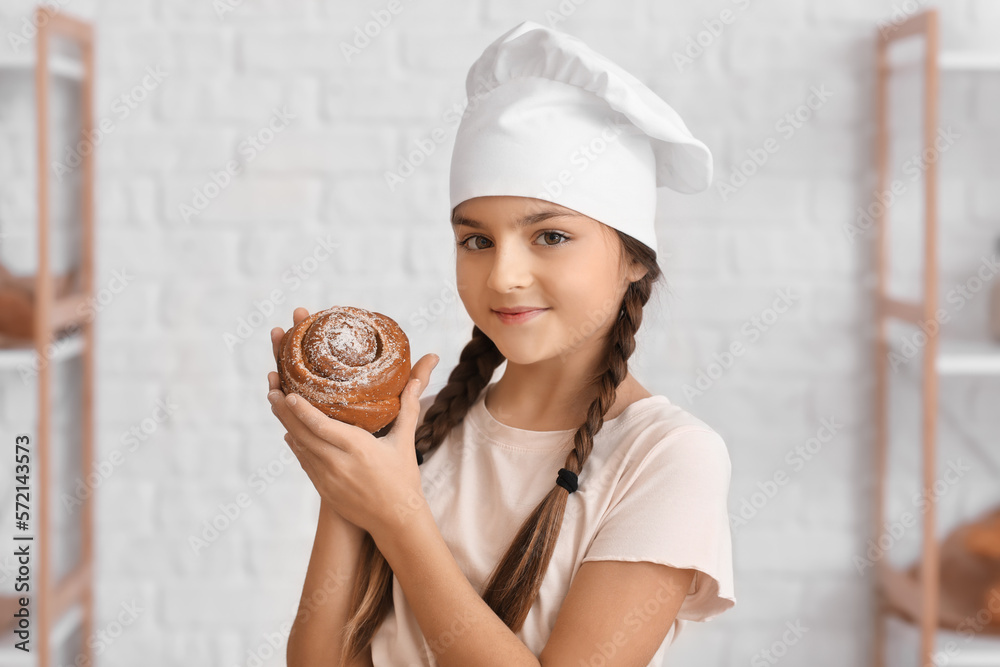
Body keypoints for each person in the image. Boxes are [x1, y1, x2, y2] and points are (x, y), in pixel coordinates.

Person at [270, 20, 736, 667]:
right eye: (476, 239)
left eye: (549, 236)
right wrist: (344, 464)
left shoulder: (667, 456)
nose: (503, 275)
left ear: (635, 258)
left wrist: (399, 514)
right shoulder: (416, 430)